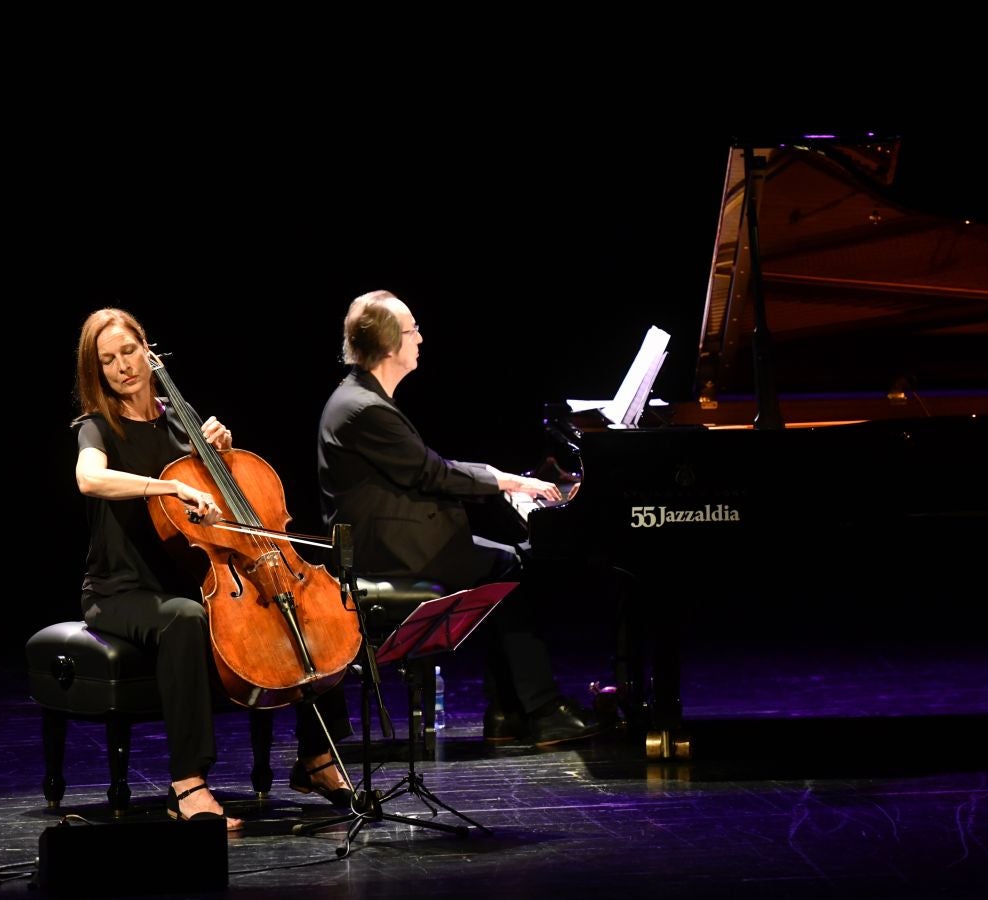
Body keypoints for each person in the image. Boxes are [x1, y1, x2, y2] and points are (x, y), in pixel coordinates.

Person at [71, 307, 357, 829]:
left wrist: (218, 455)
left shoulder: (181, 418)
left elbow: (217, 510)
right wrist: (168, 485)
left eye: (129, 352)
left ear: (147, 351)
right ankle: (187, 783)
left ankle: (317, 757)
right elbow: (90, 479)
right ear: (97, 371)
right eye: (107, 360)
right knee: (185, 618)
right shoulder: (97, 428)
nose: (122, 367)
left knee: (299, 609)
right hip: (121, 590)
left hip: (192, 575)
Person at [316, 290, 606, 747]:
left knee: (508, 563)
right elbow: (430, 471)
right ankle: (539, 710)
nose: (420, 338)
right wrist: (508, 481)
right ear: (390, 345)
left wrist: (498, 479)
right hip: (384, 554)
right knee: (512, 566)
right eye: (412, 330)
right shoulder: (364, 408)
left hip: (391, 539)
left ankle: (508, 711)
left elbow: (423, 467)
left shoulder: (362, 398)